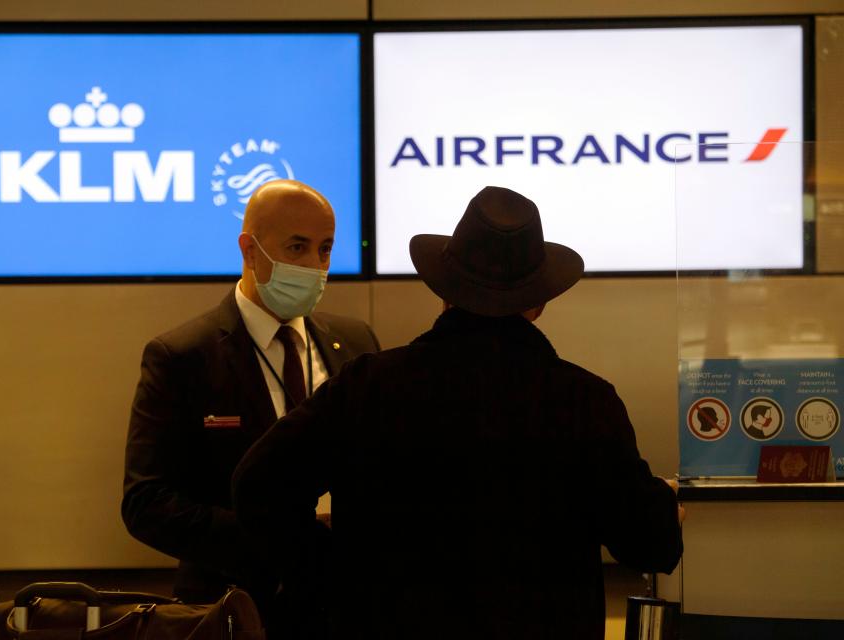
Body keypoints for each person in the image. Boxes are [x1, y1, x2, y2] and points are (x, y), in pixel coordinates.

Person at [232, 186, 684, 639]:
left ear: (443, 292)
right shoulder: (584, 401)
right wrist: (666, 508)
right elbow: (650, 544)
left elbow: (258, 484)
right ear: (538, 303)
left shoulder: (368, 387)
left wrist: (329, 565)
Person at [121, 180, 381, 628]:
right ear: (250, 250)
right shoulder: (183, 356)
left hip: (345, 605)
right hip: (232, 608)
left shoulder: (355, 342)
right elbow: (147, 503)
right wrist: (284, 540)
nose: (315, 266)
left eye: (325, 249)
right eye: (297, 247)